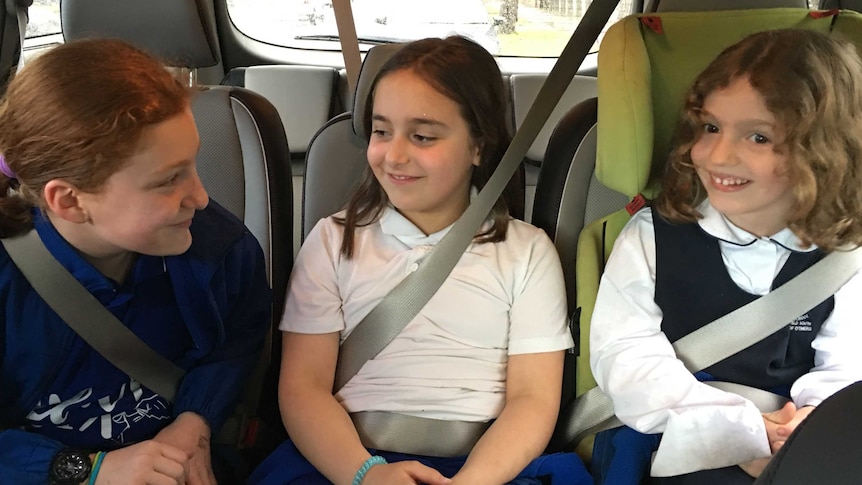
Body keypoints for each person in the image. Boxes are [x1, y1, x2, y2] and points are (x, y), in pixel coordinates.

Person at [249, 36, 589, 485]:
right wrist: (365, 474)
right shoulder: (335, 241)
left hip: (489, 465)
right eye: (381, 130)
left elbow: (532, 399)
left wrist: (472, 482)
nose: (394, 155)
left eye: (423, 136)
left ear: (479, 146)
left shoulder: (526, 252)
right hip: (346, 458)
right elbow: (302, 387)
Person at [589, 28, 862, 485]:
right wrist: (738, 434)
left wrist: (809, 426)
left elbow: (846, 366)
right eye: (710, 127)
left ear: (824, 151)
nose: (717, 155)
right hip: (674, 432)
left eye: (757, 137)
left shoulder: (846, 254)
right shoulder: (654, 236)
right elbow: (625, 357)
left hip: (800, 436)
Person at [0, 39, 271, 484]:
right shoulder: (11, 283)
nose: (200, 197)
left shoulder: (219, 249)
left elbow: (235, 344)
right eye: (169, 180)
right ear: (69, 200)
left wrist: (195, 423)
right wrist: (88, 471)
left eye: (193, 164)